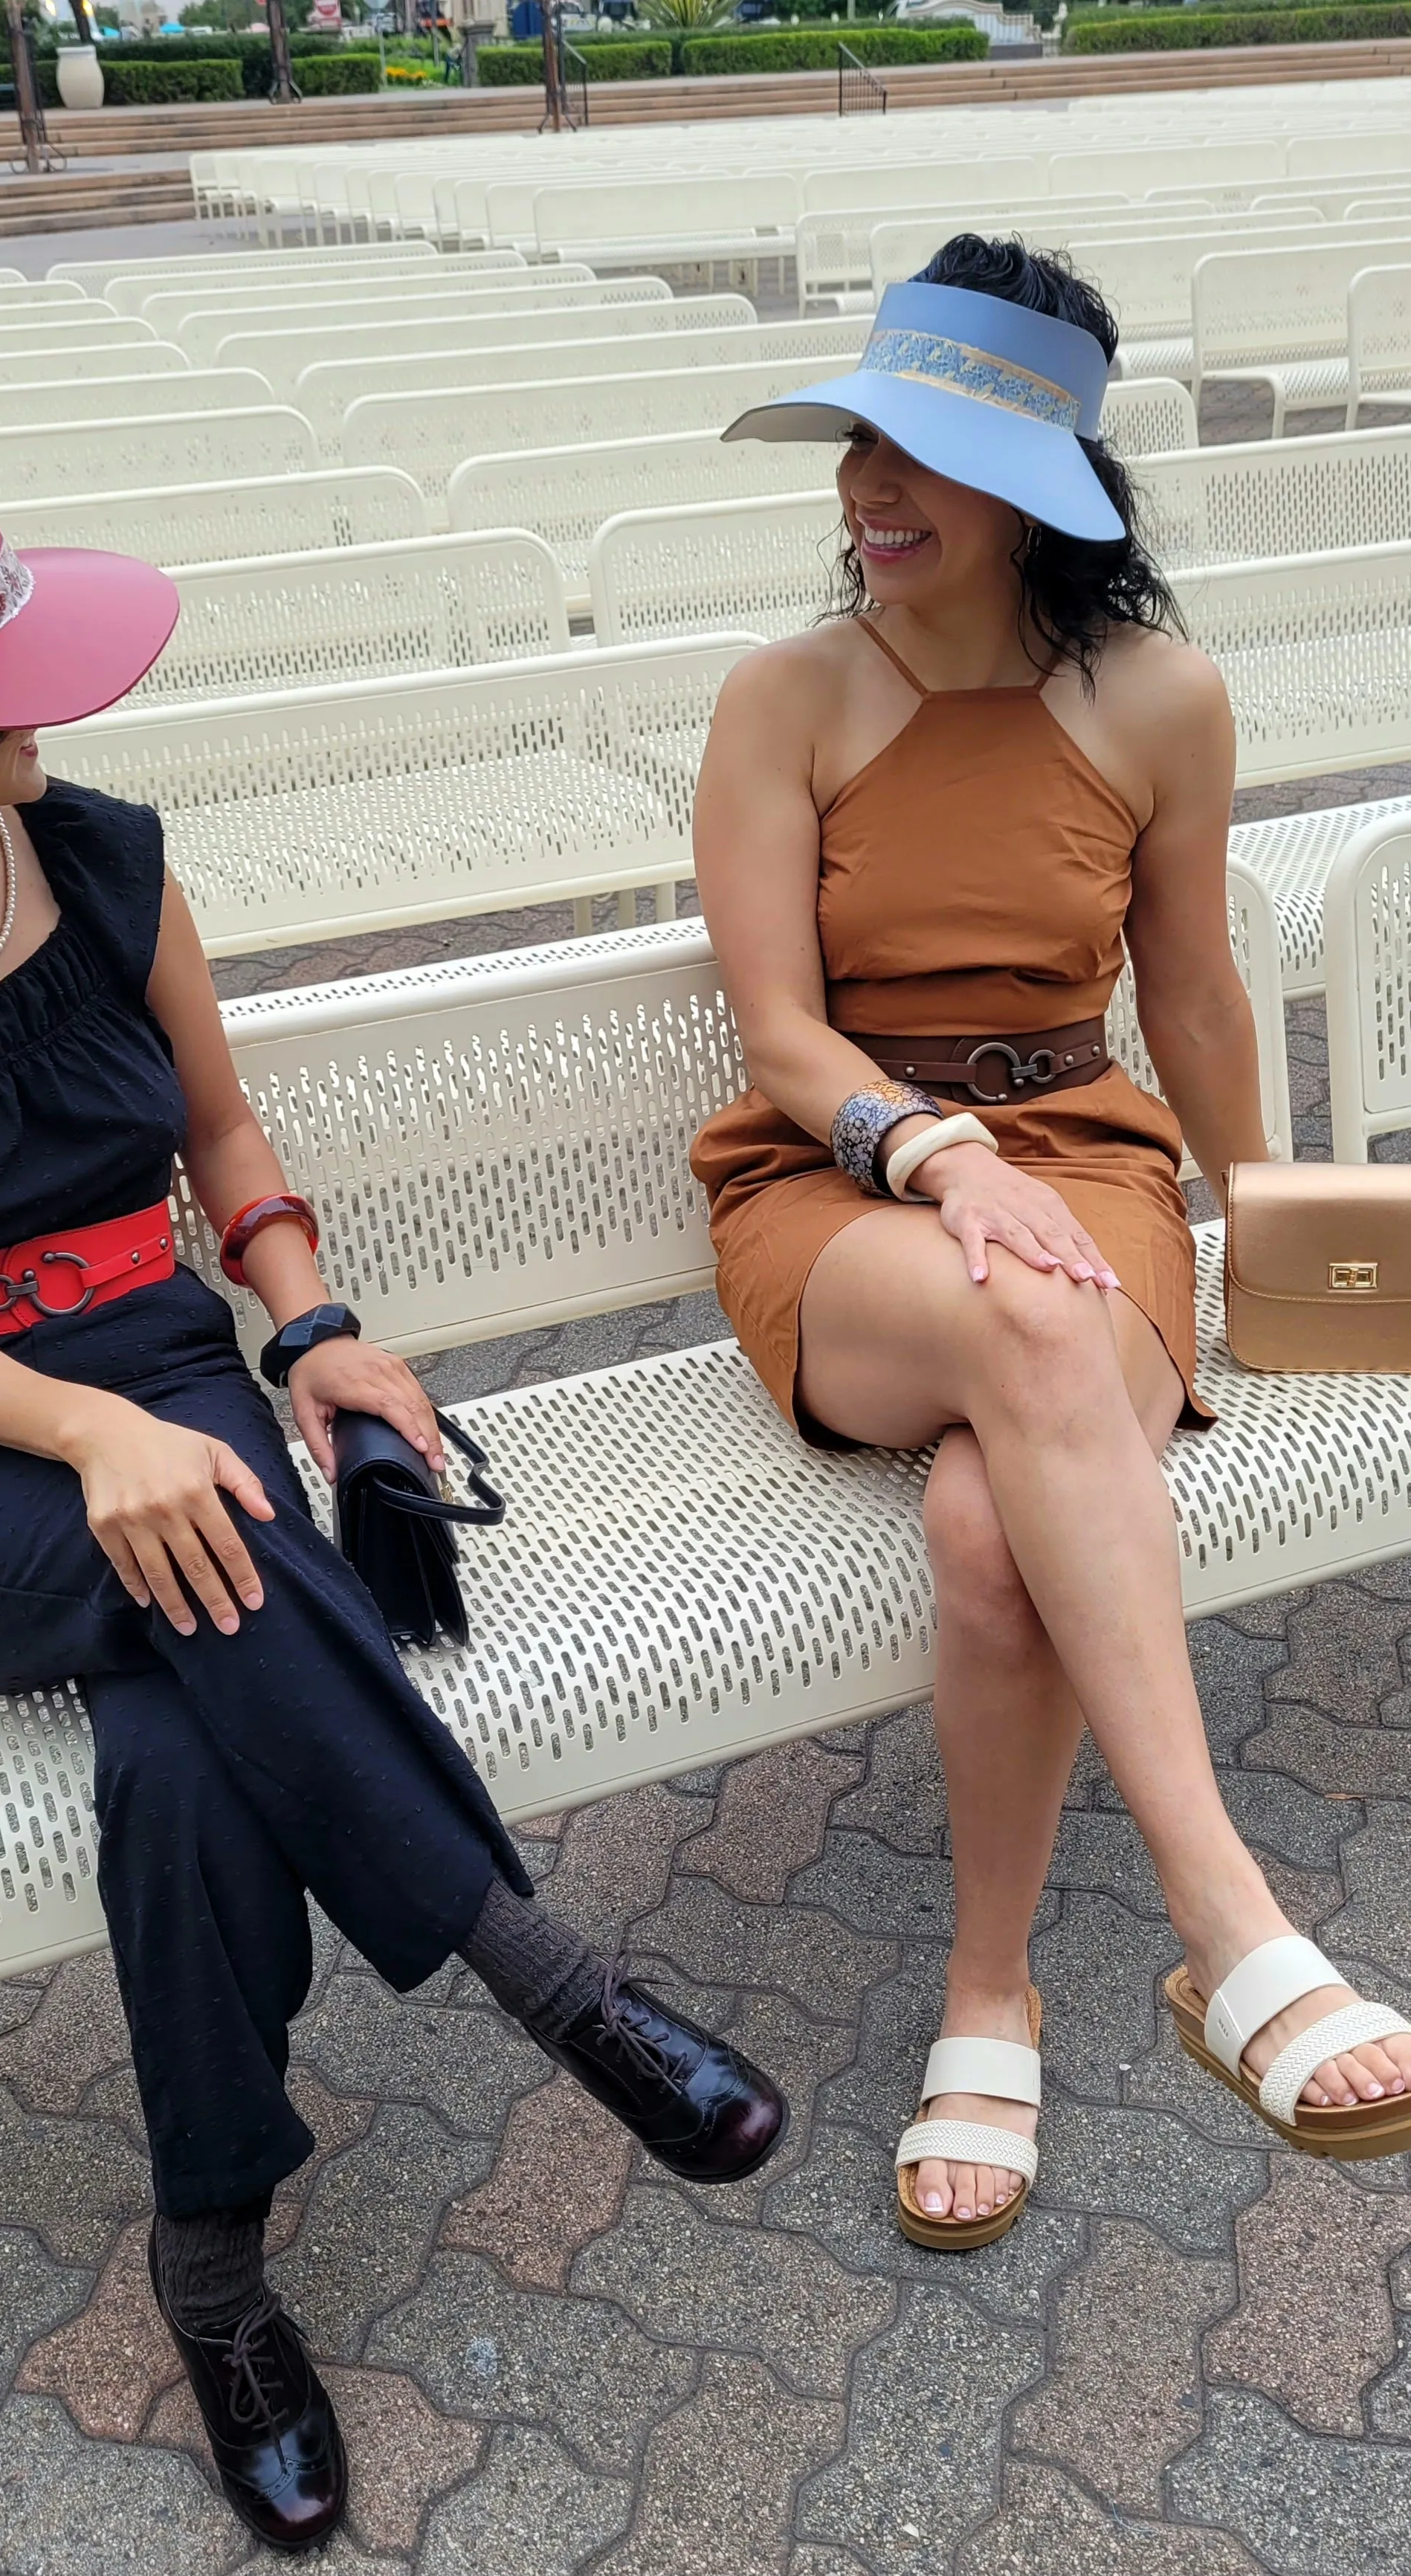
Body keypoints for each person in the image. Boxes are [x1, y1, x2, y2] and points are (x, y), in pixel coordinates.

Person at [0, 459, 787, 2556]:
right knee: (213, 1565)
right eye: (0, 674)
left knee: (182, 1757)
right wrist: (88, 1442)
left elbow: (225, 1130)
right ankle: (543, 1972)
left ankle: (214, 2265)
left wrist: (308, 1325)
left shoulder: (97, 865)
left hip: (169, 1374)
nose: (50, 707)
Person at [692, 237, 1411, 2250]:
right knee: (1013, 1311)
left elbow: (1186, 993)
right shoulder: (787, 695)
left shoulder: (1160, 699)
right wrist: (929, 1154)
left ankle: (984, 2001)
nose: (866, 491)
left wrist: (1258, 1207)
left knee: (983, 1537)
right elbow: (774, 1027)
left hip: (1081, 1166)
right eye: (855, 445)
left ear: (1041, 484)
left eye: (919, 455)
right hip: (835, 1186)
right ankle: (1228, 1921)